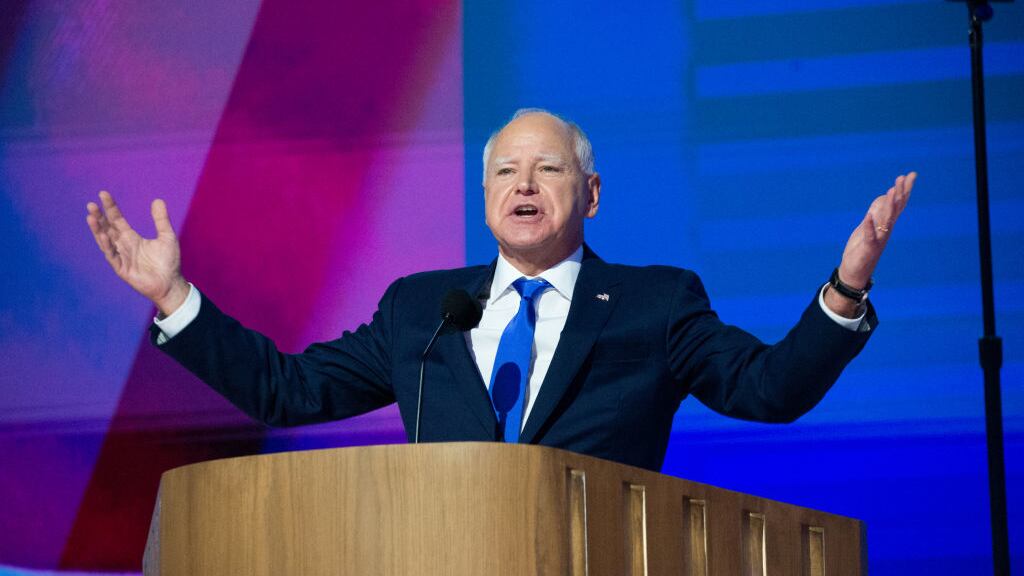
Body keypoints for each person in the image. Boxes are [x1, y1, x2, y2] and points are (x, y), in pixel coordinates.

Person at [86, 109, 915, 471]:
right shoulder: (422, 307)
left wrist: (846, 288)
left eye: (548, 168)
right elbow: (286, 390)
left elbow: (767, 390)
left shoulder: (657, 304)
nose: (525, 184)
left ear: (590, 196)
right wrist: (176, 300)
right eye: (505, 171)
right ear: (485, 198)